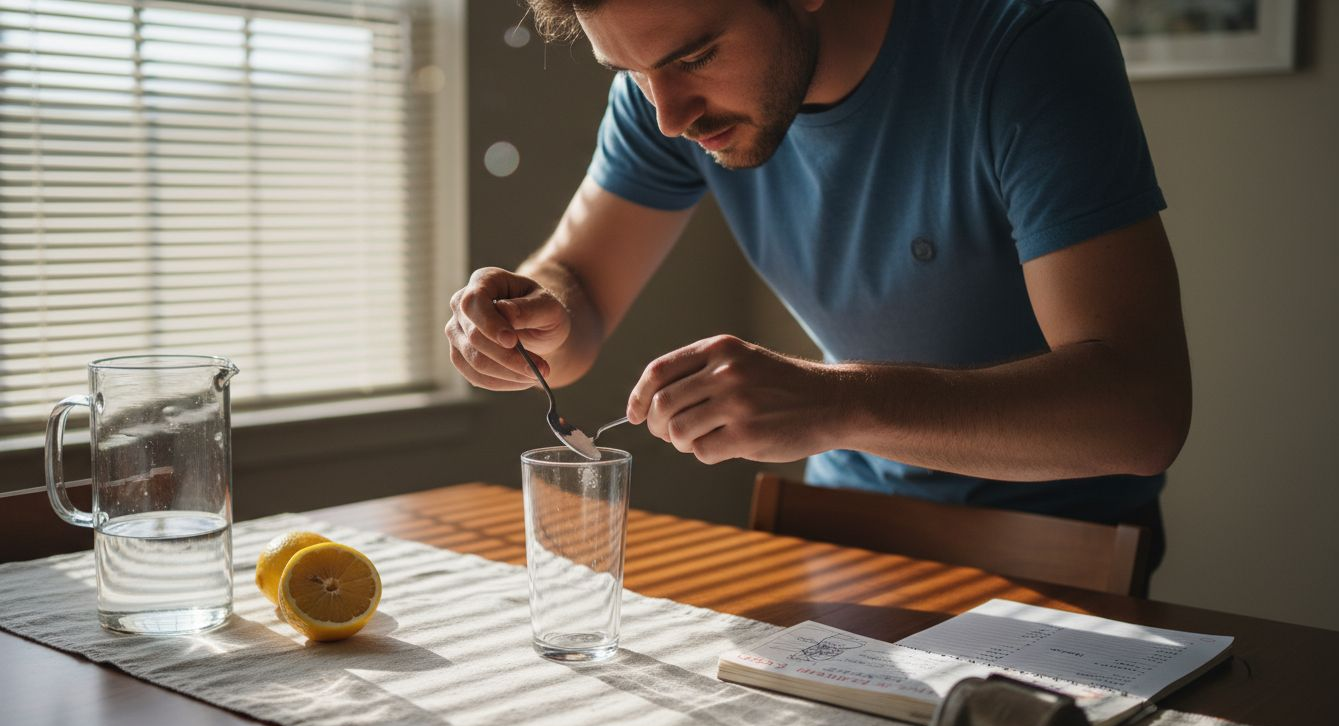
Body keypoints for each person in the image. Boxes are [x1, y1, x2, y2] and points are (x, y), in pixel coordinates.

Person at [445, 0, 1190, 580]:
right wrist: (534, 315)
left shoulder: (1026, 44)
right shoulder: (663, 98)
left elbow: (1141, 415)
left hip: (1063, 550)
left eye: (698, 56)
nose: (670, 116)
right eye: (631, 73)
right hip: (842, 529)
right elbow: (579, 293)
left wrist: (835, 403)